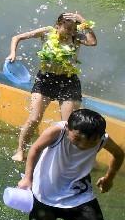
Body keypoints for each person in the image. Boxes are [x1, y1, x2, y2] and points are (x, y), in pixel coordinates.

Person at [9, 11, 98, 163]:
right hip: (45, 80)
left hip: (69, 82)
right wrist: (13, 54)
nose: (70, 32)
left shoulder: (76, 38)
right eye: (67, 28)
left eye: (73, 29)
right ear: (58, 25)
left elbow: (93, 42)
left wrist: (82, 20)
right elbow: (17, 37)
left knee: (69, 124)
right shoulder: (46, 32)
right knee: (34, 118)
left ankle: (64, 156)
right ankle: (20, 150)